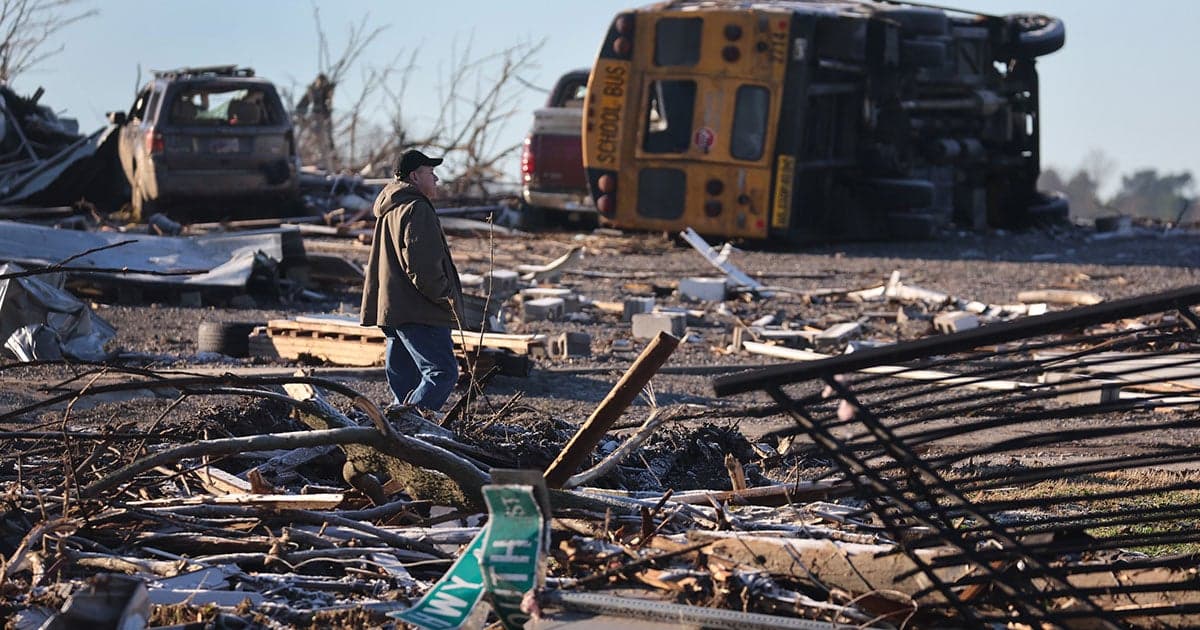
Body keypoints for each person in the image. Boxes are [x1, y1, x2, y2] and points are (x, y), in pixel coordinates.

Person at [360, 149, 464, 417]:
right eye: (431, 172)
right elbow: (422, 267)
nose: (437, 178)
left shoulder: (390, 209)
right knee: (442, 373)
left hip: (393, 309)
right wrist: (445, 297)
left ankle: (393, 439)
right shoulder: (417, 208)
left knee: (404, 383)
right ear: (416, 176)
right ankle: (404, 427)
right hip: (420, 310)